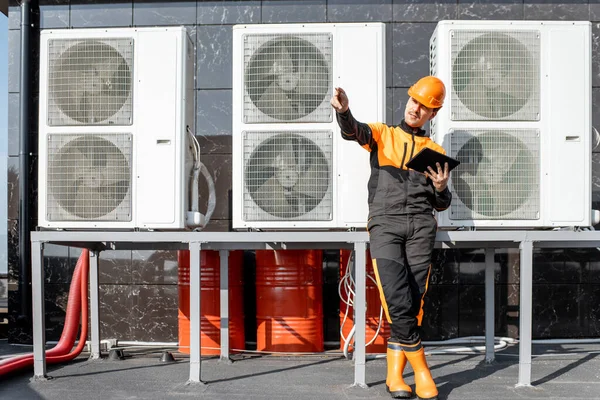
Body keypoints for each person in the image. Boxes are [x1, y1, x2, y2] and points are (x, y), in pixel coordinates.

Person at [331, 76, 451, 400]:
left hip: (422, 229)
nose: (416, 109)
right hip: (385, 225)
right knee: (397, 300)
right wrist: (344, 111)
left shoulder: (435, 151)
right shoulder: (383, 135)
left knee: (414, 303)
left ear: (433, 115)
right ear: (408, 99)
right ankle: (423, 371)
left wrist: (441, 188)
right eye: (415, 101)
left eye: (425, 107)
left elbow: (441, 203)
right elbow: (353, 130)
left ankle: (394, 376)